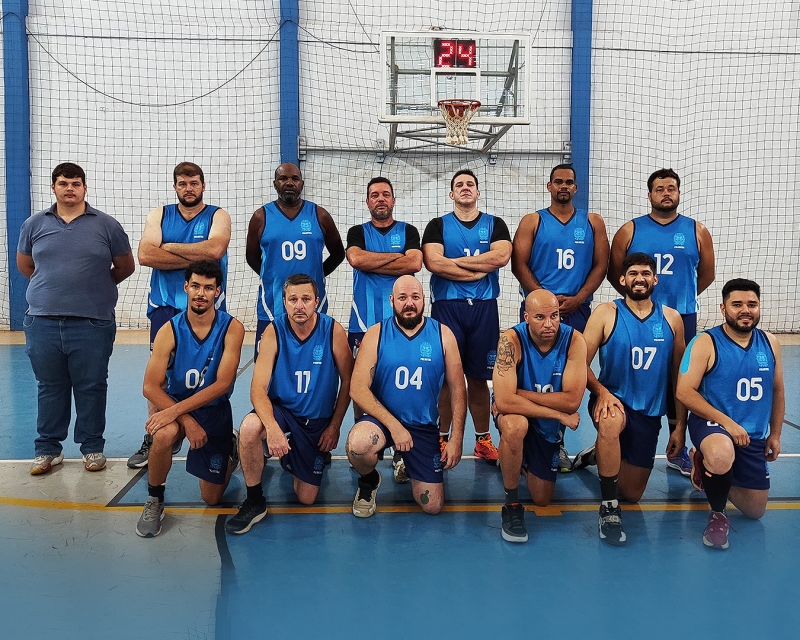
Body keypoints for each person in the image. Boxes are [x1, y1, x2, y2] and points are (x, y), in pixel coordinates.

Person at [18, 163, 135, 475]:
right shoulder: (33, 224)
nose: (69, 188)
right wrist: (52, 289)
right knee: (49, 386)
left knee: (92, 386)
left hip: (93, 323)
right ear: (53, 187)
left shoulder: (107, 226)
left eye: (75, 183)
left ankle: (92, 448)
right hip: (42, 322)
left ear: (85, 188)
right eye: (63, 183)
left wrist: (94, 286)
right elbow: (25, 265)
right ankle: (47, 450)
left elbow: (125, 266)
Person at [225, 274, 353, 534]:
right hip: (282, 412)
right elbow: (257, 389)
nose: (299, 305)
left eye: (306, 299)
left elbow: (349, 381)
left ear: (316, 301)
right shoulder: (274, 331)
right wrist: (272, 428)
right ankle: (254, 499)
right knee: (250, 427)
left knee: (306, 498)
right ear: (284, 302)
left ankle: (290, 455)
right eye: (293, 299)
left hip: (316, 422)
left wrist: (334, 427)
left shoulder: (333, 330)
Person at [608, 168, 715, 475]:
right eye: (660, 189)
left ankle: (677, 447)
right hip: (637, 315)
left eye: (671, 188)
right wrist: (638, 302)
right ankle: (614, 436)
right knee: (635, 375)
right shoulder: (630, 230)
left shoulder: (697, 231)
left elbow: (706, 275)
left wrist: (680, 299)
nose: (666, 193)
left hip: (682, 316)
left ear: (679, 193)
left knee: (681, 380)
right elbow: (616, 273)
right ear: (649, 195)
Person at [577, 253, 686, 545]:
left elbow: (680, 379)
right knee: (611, 423)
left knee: (633, 493)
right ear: (622, 279)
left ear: (655, 279)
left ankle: (598, 453)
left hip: (649, 412)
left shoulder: (672, 319)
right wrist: (601, 392)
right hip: (611, 400)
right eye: (634, 273)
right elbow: (579, 363)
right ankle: (608, 508)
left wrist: (679, 427)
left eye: (646, 273)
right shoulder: (606, 313)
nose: (640, 278)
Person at [128, 162, 232, 468]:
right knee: (160, 377)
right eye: (183, 183)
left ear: (203, 185)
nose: (189, 188)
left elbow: (215, 251)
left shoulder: (218, 215)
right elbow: (145, 254)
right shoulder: (159, 215)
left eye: (194, 183)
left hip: (207, 308)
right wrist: (194, 255)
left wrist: (169, 248)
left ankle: (217, 432)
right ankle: (156, 435)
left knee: (212, 376)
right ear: (175, 186)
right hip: (165, 307)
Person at [510, 163, 609, 472]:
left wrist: (578, 298)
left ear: (575, 187)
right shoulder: (533, 221)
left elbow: (601, 265)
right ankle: (524, 442)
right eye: (558, 181)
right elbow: (518, 264)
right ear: (549, 186)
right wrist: (546, 302)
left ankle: (557, 443)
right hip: (539, 310)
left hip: (577, 309)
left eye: (569, 182)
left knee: (567, 378)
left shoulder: (592, 222)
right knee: (530, 374)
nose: (563, 186)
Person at [136, 261, 245, 538]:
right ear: (186, 287)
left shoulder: (232, 328)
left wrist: (180, 414)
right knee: (163, 434)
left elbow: (222, 384)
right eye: (195, 286)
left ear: (217, 292)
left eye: (208, 288)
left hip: (213, 409)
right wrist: (184, 419)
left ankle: (230, 449)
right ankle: (155, 498)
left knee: (212, 498)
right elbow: (150, 386)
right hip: (177, 404)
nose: (200, 293)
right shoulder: (169, 330)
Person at [345, 275, 467, 517]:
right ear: (392, 301)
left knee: (432, 505)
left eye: (415, 297)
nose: (409, 303)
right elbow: (357, 389)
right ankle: (369, 481)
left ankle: (408, 461)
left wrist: (456, 439)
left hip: (422, 425)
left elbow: (458, 388)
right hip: (382, 422)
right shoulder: (376, 334)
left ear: (424, 300)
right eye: (402, 297)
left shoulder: (443, 335)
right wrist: (395, 426)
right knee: (358, 445)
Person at [676, 279, 784, 550]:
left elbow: (778, 389)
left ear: (759, 307)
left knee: (755, 510)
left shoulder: (770, 342)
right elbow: (684, 392)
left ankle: (707, 468)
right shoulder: (706, 342)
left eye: (752, 304)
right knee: (721, 454)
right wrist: (727, 423)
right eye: (737, 304)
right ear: (723, 308)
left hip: (752, 434)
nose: (745, 310)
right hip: (713, 424)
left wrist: (776, 434)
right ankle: (718, 515)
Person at [421, 169, 512, 464]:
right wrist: (477, 268)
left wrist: (455, 263)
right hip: (448, 307)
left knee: (479, 378)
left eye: (470, 184)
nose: (465, 188)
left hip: (484, 308)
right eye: (459, 184)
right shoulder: (437, 225)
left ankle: (483, 440)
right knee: (447, 378)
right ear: (451, 193)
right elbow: (433, 262)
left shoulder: (495, 224)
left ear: (478, 192)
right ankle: (441, 437)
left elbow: (501, 257)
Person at [491, 290, 587, 542]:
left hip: (543, 420)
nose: (549, 324)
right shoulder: (510, 340)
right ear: (526, 317)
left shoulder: (574, 341)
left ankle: (515, 459)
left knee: (542, 498)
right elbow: (504, 401)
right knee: (515, 425)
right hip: (519, 414)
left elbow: (572, 401)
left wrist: (520, 393)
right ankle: (511, 505)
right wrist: (558, 414)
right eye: (540, 317)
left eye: (554, 316)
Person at [346, 176, 422, 482]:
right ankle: (362, 443)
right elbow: (355, 258)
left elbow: (414, 264)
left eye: (385, 194)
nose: (380, 199)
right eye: (374, 194)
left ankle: (401, 452)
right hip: (363, 322)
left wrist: (373, 262)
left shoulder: (409, 231)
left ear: (393, 200)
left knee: (400, 385)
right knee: (360, 385)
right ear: (367, 201)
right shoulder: (357, 232)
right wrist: (397, 258)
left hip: (401, 325)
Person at [245, 162, 345, 359]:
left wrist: (316, 275)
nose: (289, 182)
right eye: (283, 178)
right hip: (272, 303)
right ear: (275, 183)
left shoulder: (320, 215)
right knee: (270, 362)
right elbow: (251, 257)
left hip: (311, 303)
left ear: (302, 184)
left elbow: (338, 254)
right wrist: (272, 276)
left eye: (295, 179)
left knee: (313, 360)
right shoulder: (260, 217)